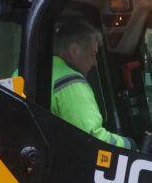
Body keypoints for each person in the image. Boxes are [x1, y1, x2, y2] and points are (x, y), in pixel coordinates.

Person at [52, 18, 134, 149]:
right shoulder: (70, 82)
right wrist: (129, 145)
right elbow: (92, 140)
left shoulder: (26, 72)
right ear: (74, 50)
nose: (95, 63)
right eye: (92, 54)